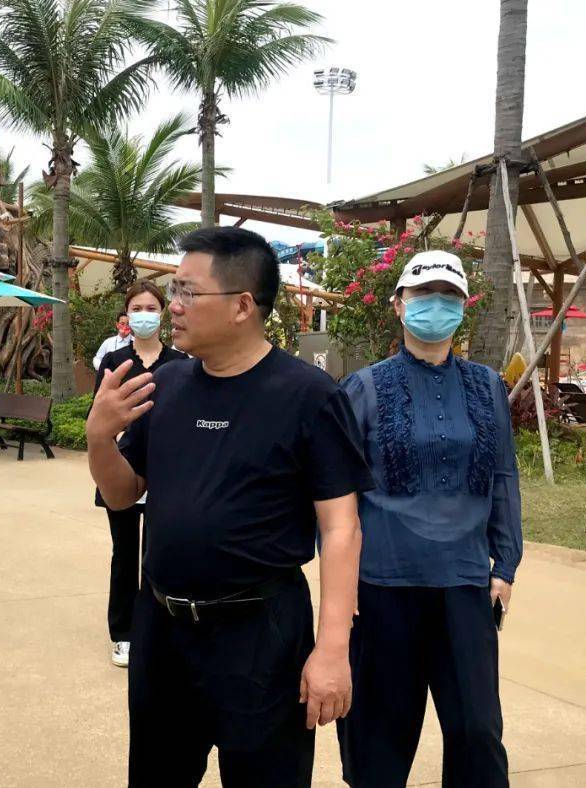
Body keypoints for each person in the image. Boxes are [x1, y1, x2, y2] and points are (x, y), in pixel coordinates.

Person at [88, 226, 373, 787]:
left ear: (243, 305)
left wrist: (332, 648)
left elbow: (341, 527)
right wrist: (100, 438)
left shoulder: (308, 395)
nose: (173, 306)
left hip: (260, 636)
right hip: (163, 630)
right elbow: (124, 494)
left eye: (188, 293)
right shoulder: (164, 385)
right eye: (174, 291)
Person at [336, 250, 522, 788]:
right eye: (422, 296)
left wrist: (505, 565)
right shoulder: (365, 387)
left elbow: (503, 478)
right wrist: (342, 581)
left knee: (478, 733)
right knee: (378, 735)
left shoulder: (487, 387)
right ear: (398, 306)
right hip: (382, 586)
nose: (435, 306)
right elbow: (337, 491)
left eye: (448, 297)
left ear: (464, 307)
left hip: (465, 583)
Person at [93, 280, 187, 668]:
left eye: (151, 307)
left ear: (162, 313)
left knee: (160, 553)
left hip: (167, 474)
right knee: (124, 553)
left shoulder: (181, 364)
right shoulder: (115, 363)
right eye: (137, 308)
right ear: (126, 315)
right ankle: (123, 632)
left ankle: (157, 627)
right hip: (124, 468)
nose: (144, 314)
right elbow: (99, 420)